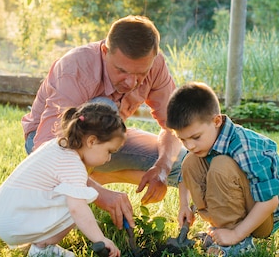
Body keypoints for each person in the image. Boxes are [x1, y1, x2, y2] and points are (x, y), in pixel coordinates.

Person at [21, 15, 185, 230]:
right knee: (101, 108)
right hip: (52, 143)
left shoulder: (156, 66)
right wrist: (99, 195)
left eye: (141, 74)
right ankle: (86, 184)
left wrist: (162, 168)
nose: (131, 82)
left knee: (184, 162)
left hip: (106, 141)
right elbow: (47, 148)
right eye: (122, 71)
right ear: (105, 52)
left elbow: (173, 126)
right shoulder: (76, 67)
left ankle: (95, 175)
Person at [166, 82, 279, 257]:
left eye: (195, 137)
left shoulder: (244, 147)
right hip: (240, 209)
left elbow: (270, 202)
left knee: (221, 166)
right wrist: (184, 206)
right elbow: (185, 176)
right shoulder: (203, 144)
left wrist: (236, 234)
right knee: (190, 161)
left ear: (216, 121)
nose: (189, 145)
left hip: (265, 217)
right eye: (183, 140)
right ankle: (221, 230)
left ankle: (238, 240)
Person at [0, 102, 125, 257]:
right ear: (91, 141)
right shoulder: (73, 165)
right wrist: (100, 239)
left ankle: (35, 240)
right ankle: (42, 249)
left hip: (3, 215)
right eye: (108, 151)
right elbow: (77, 209)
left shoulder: (57, 145)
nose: (108, 158)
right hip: (13, 222)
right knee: (77, 205)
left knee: (73, 196)